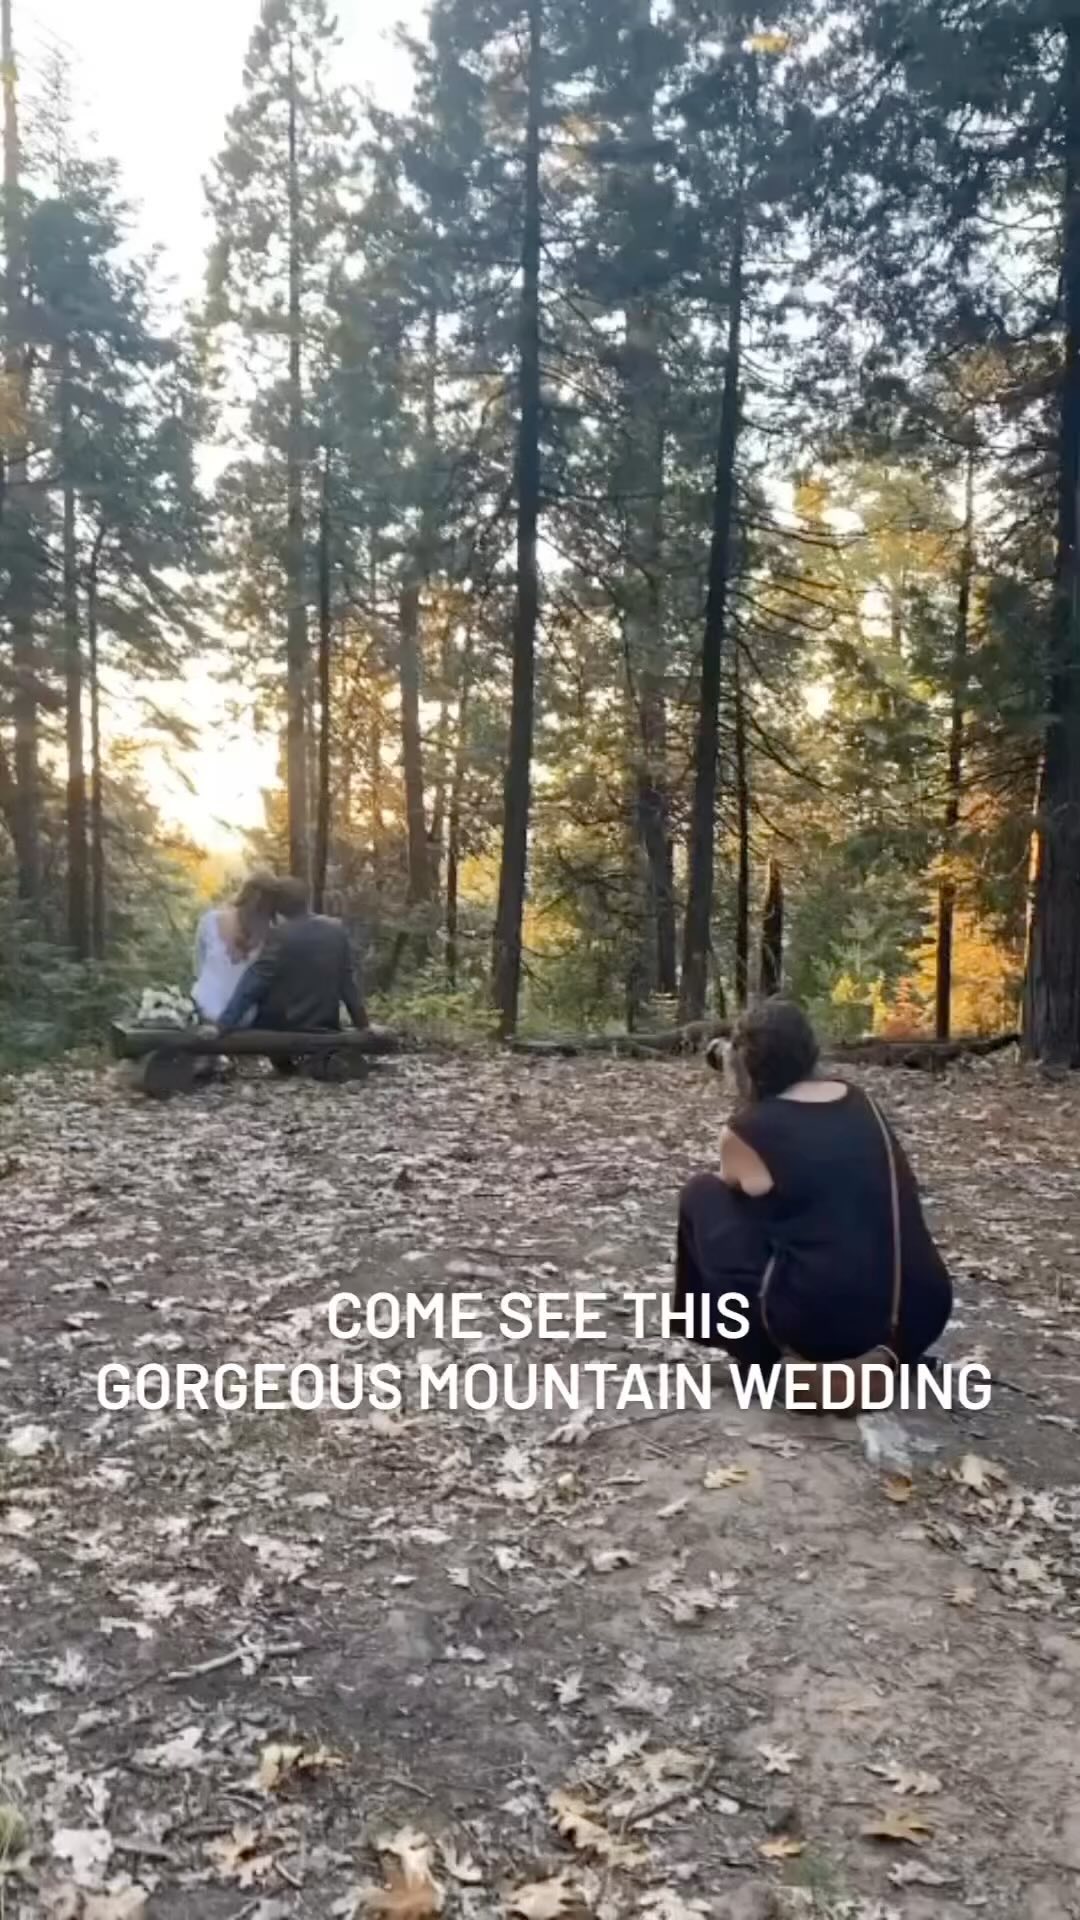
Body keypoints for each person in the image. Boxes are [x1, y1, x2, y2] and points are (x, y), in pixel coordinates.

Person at [674, 999, 952, 1381]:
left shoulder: (747, 1130)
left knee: (702, 1195)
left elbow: (736, 1193)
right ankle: (885, 1358)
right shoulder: (861, 1102)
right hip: (917, 1317)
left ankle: (758, 1353)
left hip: (823, 1332)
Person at [214, 877, 369, 1047]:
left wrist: (223, 1025)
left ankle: (282, 1058)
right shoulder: (336, 930)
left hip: (283, 1025)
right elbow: (347, 984)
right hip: (325, 1023)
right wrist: (363, 1025)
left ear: (278, 906)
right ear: (306, 900)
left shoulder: (280, 935)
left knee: (265, 978)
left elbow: (253, 984)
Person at [192, 871, 279, 1025]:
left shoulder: (273, 937)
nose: (255, 910)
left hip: (246, 1025)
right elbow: (199, 964)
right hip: (204, 1016)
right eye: (252, 904)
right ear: (244, 898)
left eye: (262, 907)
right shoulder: (210, 922)